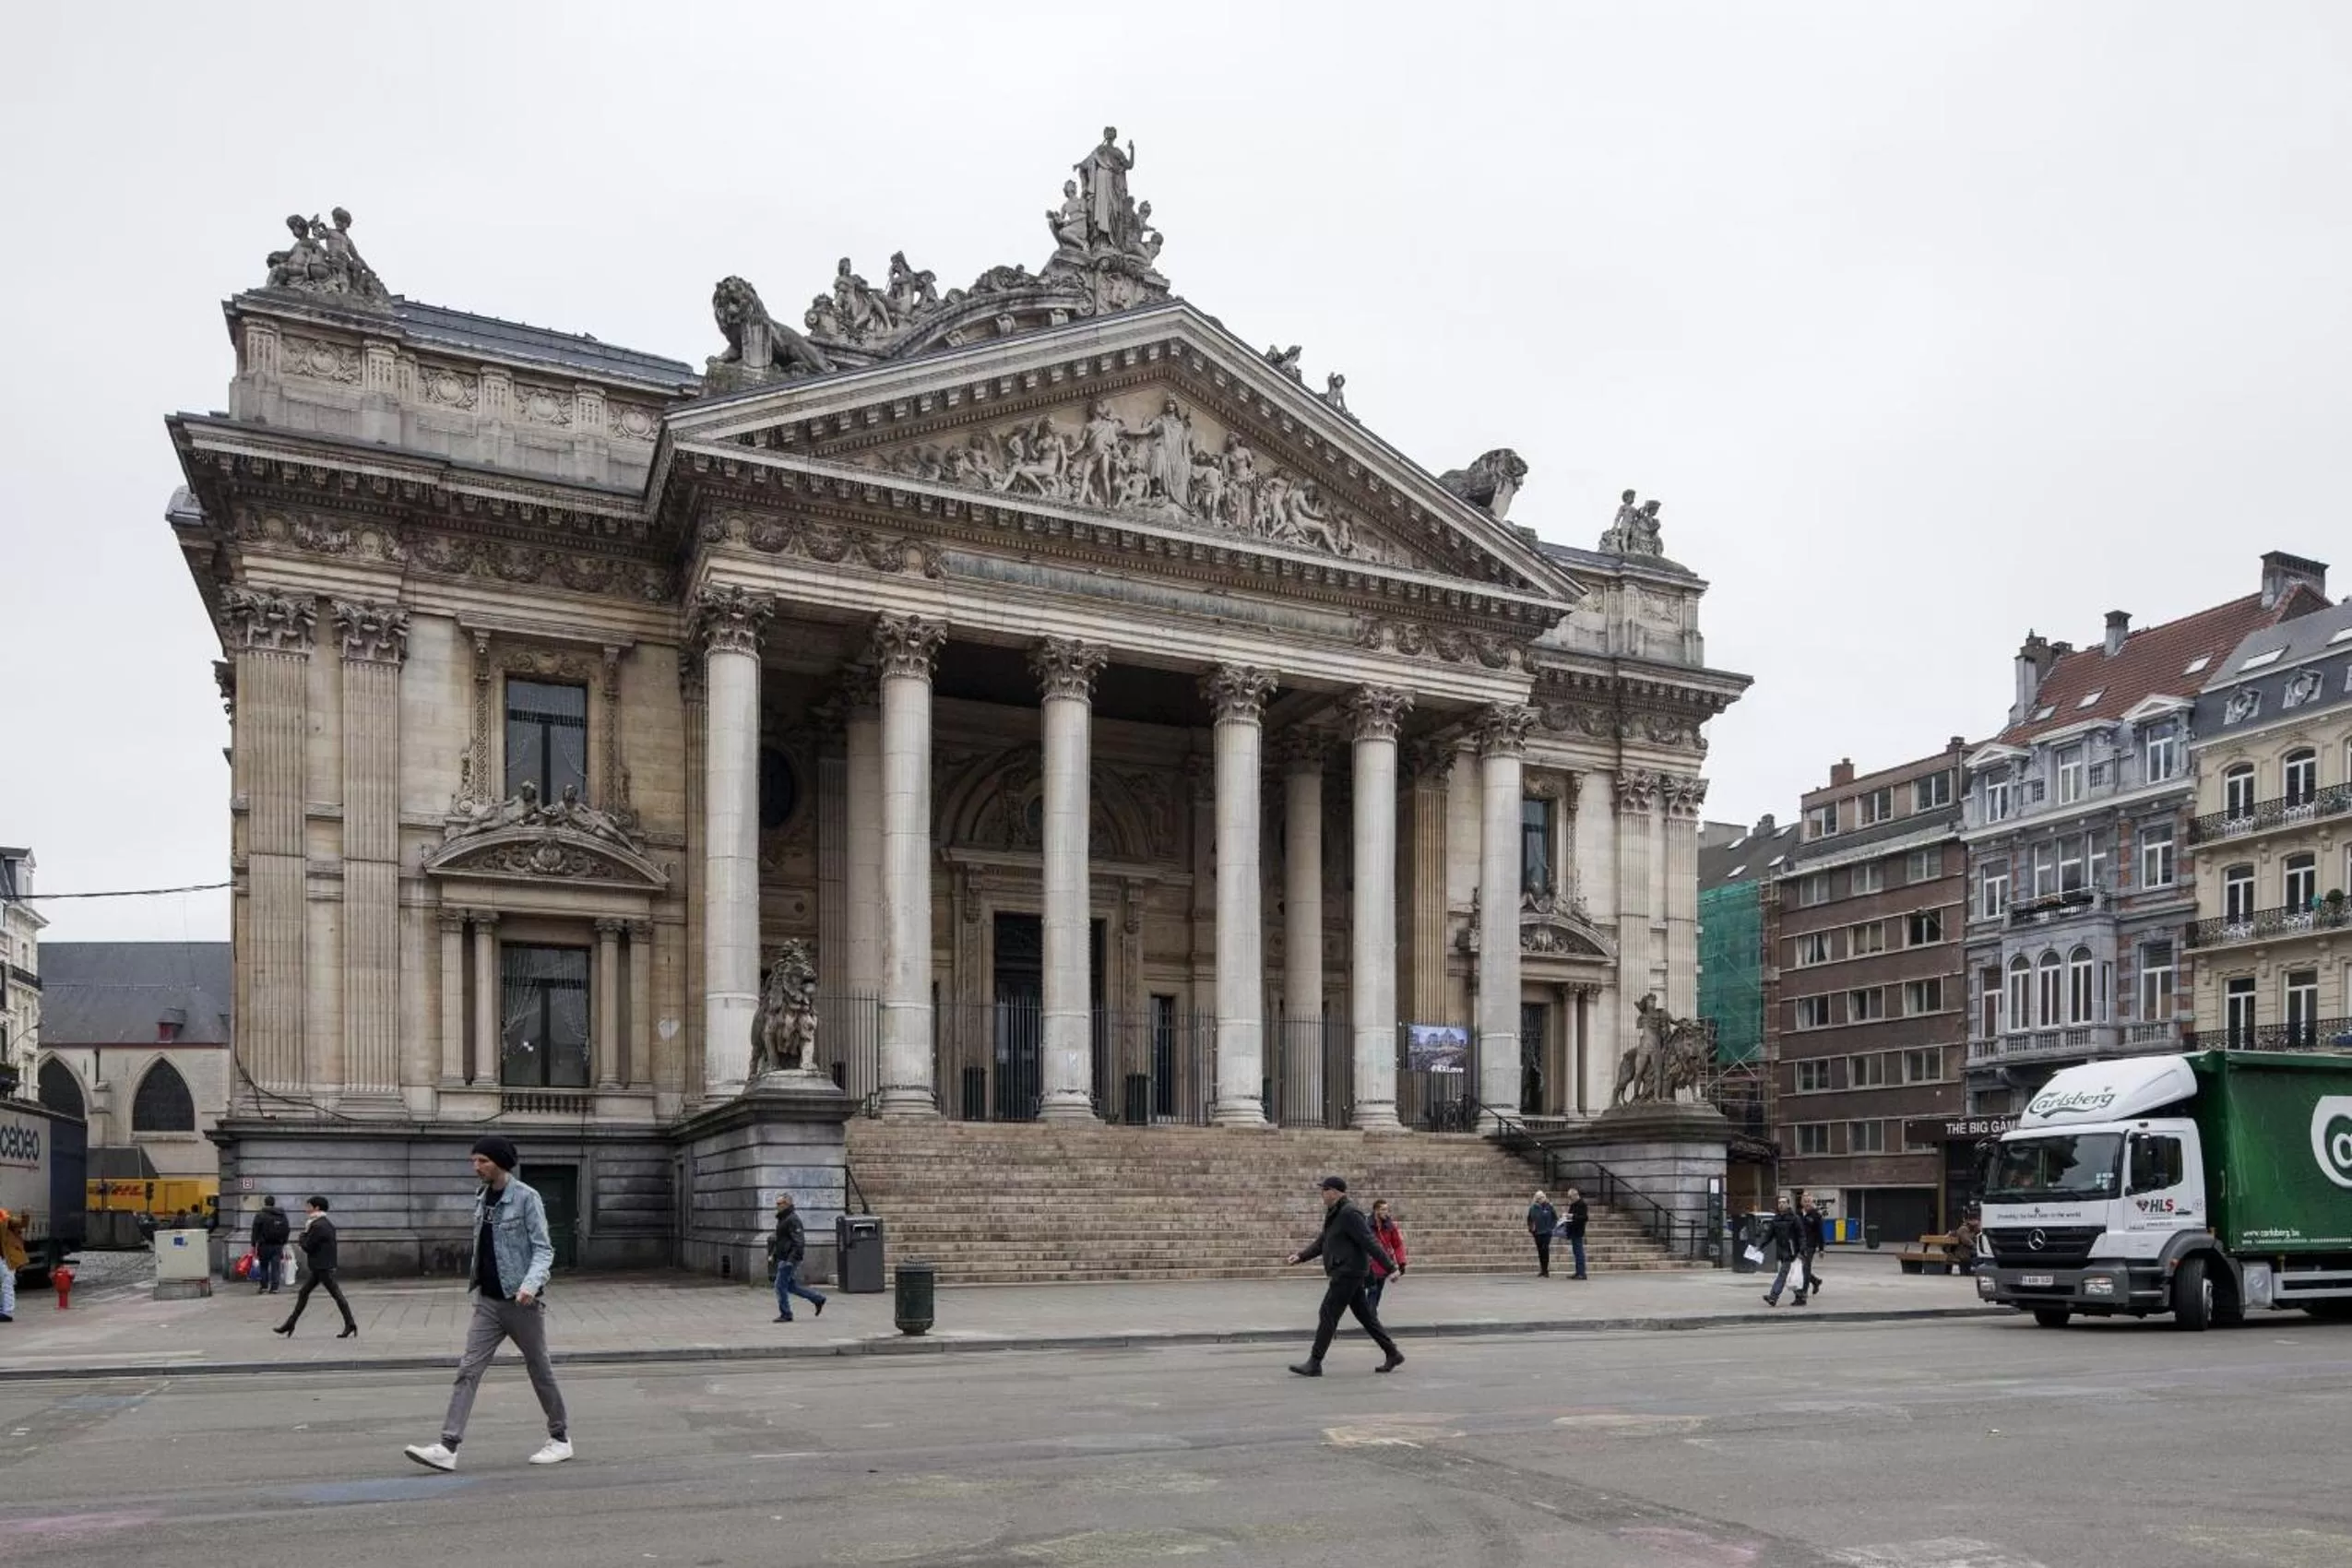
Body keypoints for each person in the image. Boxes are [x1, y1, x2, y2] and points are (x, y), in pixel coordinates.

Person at [405, 1136, 570, 1472]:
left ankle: (560, 1439)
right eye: (474, 1160)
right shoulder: (482, 1197)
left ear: (499, 1162)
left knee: (540, 1370)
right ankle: (448, 1446)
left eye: (481, 1160)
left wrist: (530, 1284)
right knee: (468, 1370)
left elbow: (544, 1249)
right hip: (489, 1303)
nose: (475, 1167)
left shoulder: (526, 1198)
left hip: (520, 1303)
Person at [1285, 1177, 1404, 1378]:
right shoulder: (1335, 1213)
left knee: (1328, 1313)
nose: (1321, 1193)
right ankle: (1392, 1353)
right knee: (1365, 1316)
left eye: (1324, 1190)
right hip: (1347, 1271)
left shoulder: (1350, 1213)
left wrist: (1391, 1267)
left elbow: (1369, 1241)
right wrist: (1302, 1256)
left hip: (1348, 1272)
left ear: (1334, 1192)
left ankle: (1315, 1362)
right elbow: (1324, 1241)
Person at [275, 1196, 358, 1338]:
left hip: (322, 1266)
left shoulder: (318, 1225)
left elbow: (308, 1246)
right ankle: (290, 1323)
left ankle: (350, 1324)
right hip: (321, 1266)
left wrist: (302, 1237)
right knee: (305, 1293)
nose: (306, 1208)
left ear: (317, 1208)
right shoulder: (323, 1223)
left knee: (336, 1295)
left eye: (309, 1205)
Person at [767, 1194, 827, 1324]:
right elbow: (782, 1240)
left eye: (779, 1203)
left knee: (779, 1286)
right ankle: (818, 1298)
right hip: (784, 1257)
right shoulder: (783, 1219)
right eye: (777, 1203)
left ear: (787, 1204)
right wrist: (774, 1253)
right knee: (790, 1286)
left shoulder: (792, 1219)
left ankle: (786, 1314)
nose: (777, 1206)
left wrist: (791, 1260)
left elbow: (799, 1242)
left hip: (789, 1259)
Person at [1761, 1194, 1810, 1308]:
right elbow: (1769, 1235)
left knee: (1783, 1274)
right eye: (1779, 1203)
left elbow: (1801, 1235)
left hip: (1792, 1251)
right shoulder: (1776, 1219)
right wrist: (1760, 1246)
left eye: (1783, 1202)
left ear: (1788, 1204)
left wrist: (1802, 1250)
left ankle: (1773, 1297)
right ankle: (1800, 1297)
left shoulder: (1794, 1218)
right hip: (1782, 1251)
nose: (1781, 1204)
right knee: (1791, 1276)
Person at [1363, 1199, 1407, 1316]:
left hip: (1384, 1265)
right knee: (1372, 1289)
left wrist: (1402, 1263)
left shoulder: (1390, 1226)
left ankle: (1370, 1313)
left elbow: (1397, 1245)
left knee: (1378, 1290)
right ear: (1375, 1210)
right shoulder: (1366, 1224)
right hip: (1369, 1264)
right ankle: (1371, 1316)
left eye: (1387, 1209)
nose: (1386, 1212)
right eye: (1383, 1209)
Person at [251, 1195, 291, 1295]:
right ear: (274, 1203)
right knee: (276, 1267)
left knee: (263, 1266)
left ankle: (264, 1287)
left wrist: (253, 1244)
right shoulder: (281, 1215)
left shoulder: (260, 1215)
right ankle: (274, 1288)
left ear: (265, 1203)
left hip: (264, 1245)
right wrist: (284, 1242)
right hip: (278, 1245)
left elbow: (255, 1231)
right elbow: (287, 1229)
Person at [1560, 1187, 1591, 1280]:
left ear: (1575, 1195)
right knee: (1576, 1252)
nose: (1569, 1199)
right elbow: (1572, 1216)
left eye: (1570, 1197)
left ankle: (1581, 1273)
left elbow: (1584, 1218)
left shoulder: (1582, 1204)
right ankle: (1578, 1272)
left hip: (1578, 1231)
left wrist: (1572, 1215)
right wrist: (1566, 1217)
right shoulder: (1573, 1204)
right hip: (1573, 1230)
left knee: (1579, 1252)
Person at [0, 1210, 25, 1323]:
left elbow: (21, 1223)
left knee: (7, 1283)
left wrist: (25, 1216)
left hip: (7, 1258)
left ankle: (7, 1312)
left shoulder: (7, 1219)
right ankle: (2, 1310)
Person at [1526, 1190, 1559, 1277]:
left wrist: (1551, 1228)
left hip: (1547, 1232)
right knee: (1540, 1251)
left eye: (1542, 1197)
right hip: (1537, 1232)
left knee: (1545, 1249)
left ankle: (1546, 1270)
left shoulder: (1549, 1206)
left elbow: (1555, 1218)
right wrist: (1531, 1229)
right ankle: (1542, 1269)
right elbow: (1529, 1219)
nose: (1541, 1199)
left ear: (1545, 1197)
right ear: (1536, 1199)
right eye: (1539, 1198)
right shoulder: (1533, 1207)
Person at [1799, 1195, 1826, 1296]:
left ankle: (1804, 1291)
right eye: (1805, 1201)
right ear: (1801, 1203)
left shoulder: (1816, 1215)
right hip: (1798, 1245)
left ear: (1812, 1202)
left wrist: (1821, 1248)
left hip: (1810, 1245)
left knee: (1806, 1267)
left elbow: (1820, 1232)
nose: (1807, 1203)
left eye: (1809, 1201)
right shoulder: (1798, 1214)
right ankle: (1815, 1281)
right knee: (1800, 1268)